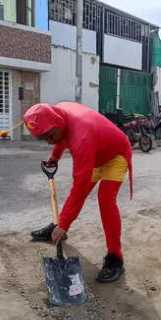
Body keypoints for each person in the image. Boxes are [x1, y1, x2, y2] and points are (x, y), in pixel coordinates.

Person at [26, 102, 133, 283]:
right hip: (95, 153)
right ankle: (58, 228)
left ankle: (116, 257)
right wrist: (56, 154)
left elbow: (80, 185)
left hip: (116, 155)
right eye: (44, 138)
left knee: (105, 200)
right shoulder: (59, 113)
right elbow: (62, 135)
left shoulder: (81, 136)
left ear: (56, 125)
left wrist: (65, 223)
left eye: (50, 136)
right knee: (78, 196)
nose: (49, 140)